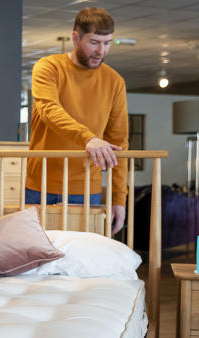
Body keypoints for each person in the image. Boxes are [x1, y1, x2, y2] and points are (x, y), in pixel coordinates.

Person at [27, 7, 129, 234]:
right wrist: (89, 138)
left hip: (86, 189)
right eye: (94, 42)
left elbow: (118, 141)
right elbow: (50, 111)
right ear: (75, 37)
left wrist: (119, 198)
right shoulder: (48, 67)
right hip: (38, 186)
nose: (101, 51)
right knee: (34, 263)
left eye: (107, 43)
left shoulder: (115, 82)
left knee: (80, 265)